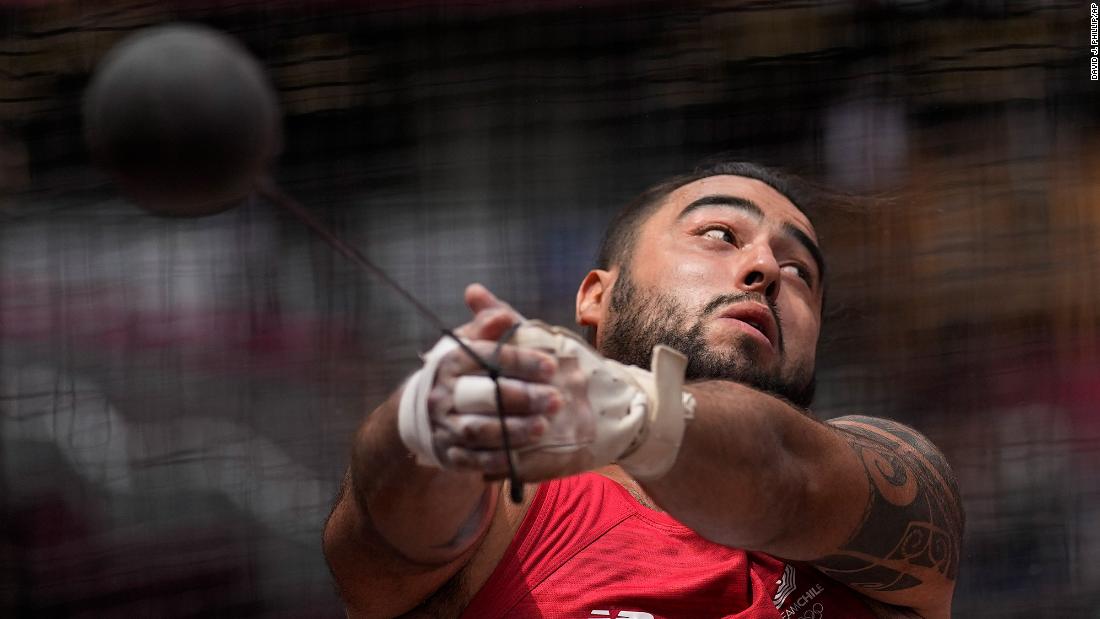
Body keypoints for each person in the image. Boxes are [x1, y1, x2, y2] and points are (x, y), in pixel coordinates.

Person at [322, 161, 964, 619]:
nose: (767, 268)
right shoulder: (512, 509)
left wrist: (635, 412)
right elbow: (385, 526)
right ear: (598, 295)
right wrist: (428, 425)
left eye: (800, 272)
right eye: (720, 235)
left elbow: (784, 471)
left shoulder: (878, 491)